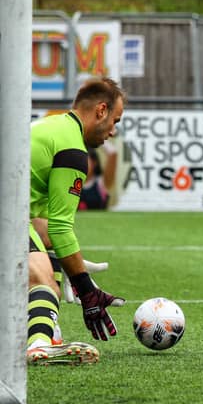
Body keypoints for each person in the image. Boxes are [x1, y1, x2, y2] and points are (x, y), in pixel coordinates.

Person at [27, 77, 126, 365]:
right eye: (115, 121)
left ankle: (47, 330)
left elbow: (42, 227)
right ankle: (38, 344)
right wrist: (86, 289)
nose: (113, 131)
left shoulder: (53, 127)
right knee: (40, 275)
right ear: (101, 110)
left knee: (44, 249)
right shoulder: (72, 149)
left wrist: (75, 267)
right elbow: (60, 227)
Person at [79, 141, 118, 210]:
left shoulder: (101, 183)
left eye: (84, 160)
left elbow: (113, 153)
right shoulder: (70, 182)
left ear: (94, 163)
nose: (81, 164)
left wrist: (97, 137)